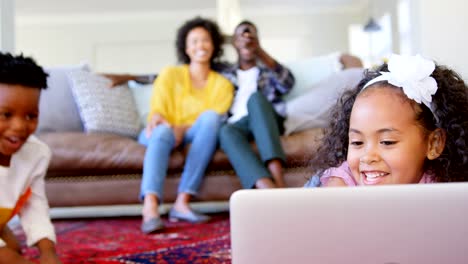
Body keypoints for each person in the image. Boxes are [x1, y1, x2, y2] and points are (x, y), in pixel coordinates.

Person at [309, 54, 468, 187]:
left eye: (387, 142)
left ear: (434, 144)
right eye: (357, 142)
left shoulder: (443, 187)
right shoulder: (340, 185)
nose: (368, 157)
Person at [139, 17, 233, 234]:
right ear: (186, 48)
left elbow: (213, 119)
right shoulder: (170, 74)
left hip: (195, 133)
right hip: (162, 131)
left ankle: (182, 202)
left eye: (205, 40)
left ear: (214, 45)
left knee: (210, 118)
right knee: (162, 131)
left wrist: (181, 129)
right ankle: (150, 206)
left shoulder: (223, 84)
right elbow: (158, 111)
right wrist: (166, 125)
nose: (200, 46)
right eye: (194, 41)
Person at [0, 53, 61, 263]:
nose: (19, 126)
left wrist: (47, 251)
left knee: (14, 250)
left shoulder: (37, 153)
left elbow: (34, 205)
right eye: (5, 115)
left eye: (30, 116)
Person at [219, 20, 295, 189]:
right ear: (234, 43)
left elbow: (288, 83)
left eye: (251, 35)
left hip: (264, 117)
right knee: (225, 131)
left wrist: (259, 51)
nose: (246, 39)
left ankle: (278, 180)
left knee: (255, 99)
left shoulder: (268, 70)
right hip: (237, 124)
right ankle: (267, 188)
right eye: (241, 36)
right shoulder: (225, 73)